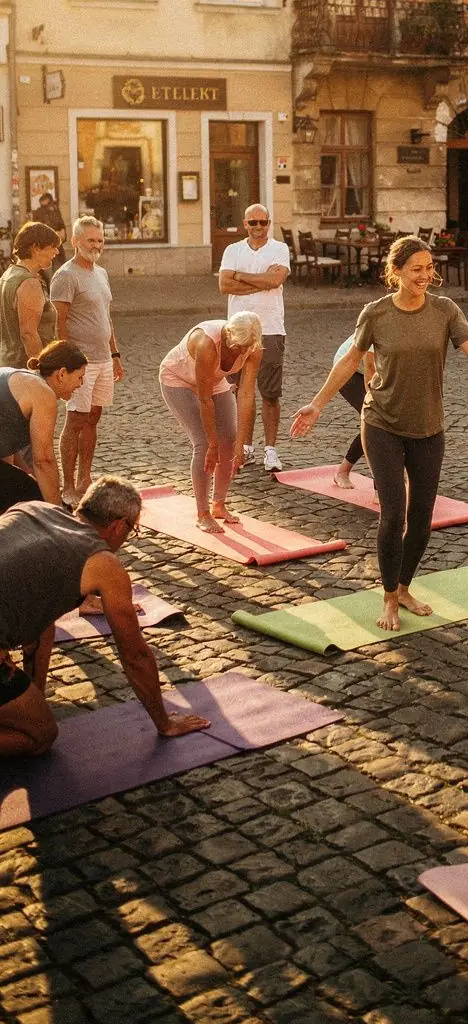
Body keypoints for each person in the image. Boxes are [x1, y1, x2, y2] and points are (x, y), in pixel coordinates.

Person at [291, 236, 468, 630]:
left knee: (422, 519)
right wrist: (317, 403)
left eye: (430, 268)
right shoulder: (375, 313)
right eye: (417, 269)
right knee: (393, 516)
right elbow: (350, 362)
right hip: (381, 424)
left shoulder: (445, 310)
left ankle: (406, 586)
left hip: (428, 428)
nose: (426, 276)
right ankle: (389, 597)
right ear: (395, 273)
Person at [0, 476, 210, 757]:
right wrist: (165, 722)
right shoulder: (103, 563)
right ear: (118, 526)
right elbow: (134, 654)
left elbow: (40, 615)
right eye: (132, 530)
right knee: (41, 735)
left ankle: (28, 695)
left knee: (41, 637)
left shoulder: (33, 508)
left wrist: (31, 693)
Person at [159, 312, 263, 533]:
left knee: (230, 440)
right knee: (204, 444)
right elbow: (205, 400)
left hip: (213, 381)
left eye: (247, 348)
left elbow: (246, 394)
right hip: (178, 380)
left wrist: (241, 443)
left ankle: (218, 505)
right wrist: (212, 444)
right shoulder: (206, 343)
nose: (243, 353)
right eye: (239, 348)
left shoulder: (253, 347)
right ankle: (202, 513)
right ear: (228, 336)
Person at [50, 217, 125, 507]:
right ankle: (68, 486)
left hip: (104, 359)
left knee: (93, 419)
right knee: (75, 421)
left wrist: (115, 354)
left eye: (100, 240)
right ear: (75, 242)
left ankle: (85, 478)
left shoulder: (101, 273)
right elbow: (59, 323)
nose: (96, 245)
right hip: (79, 362)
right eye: (91, 240)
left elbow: (106, 318)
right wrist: (67, 363)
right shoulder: (65, 276)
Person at [218, 204, 290, 473]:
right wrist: (262, 280)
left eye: (263, 222)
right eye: (253, 223)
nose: (259, 227)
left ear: (269, 223)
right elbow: (224, 285)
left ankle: (270, 450)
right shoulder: (232, 250)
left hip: (270, 329)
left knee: (270, 394)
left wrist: (240, 276)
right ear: (245, 224)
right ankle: (244, 447)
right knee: (237, 392)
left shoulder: (279, 249)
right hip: (237, 331)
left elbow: (276, 280)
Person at [0, 340, 88, 513]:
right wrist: (57, 514)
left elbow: (8, 445)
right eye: (79, 377)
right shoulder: (42, 392)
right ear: (62, 374)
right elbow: (44, 460)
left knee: (30, 492)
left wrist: (31, 479)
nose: (81, 384)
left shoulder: (25, 379)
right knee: (34, 505)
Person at [0, 222, 61, 367]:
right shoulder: (29, 282)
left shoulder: (8, 275)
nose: (57, 252)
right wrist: (41, 371)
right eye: (53, 247)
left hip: (9, 362)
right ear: (36, 248)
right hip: (25, 369)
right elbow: (28, 335)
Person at [331, 333, 376, 488]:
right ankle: (343, 472)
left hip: (376, 369)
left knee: (388, 422)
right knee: (375, 422)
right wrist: (373, 402)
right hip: (348, 368)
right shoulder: (380, 318)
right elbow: (370, 368)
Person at [35, 192, 67, 268]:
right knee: (47, 264)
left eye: (46, 199)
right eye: (43, 200)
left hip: (56, 240)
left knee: (60, 262)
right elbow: (38, 226)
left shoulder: (55, 210)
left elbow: (61, 222)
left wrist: (63, 231)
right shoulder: (39, 212)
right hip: (46, 241)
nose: (44, 201)